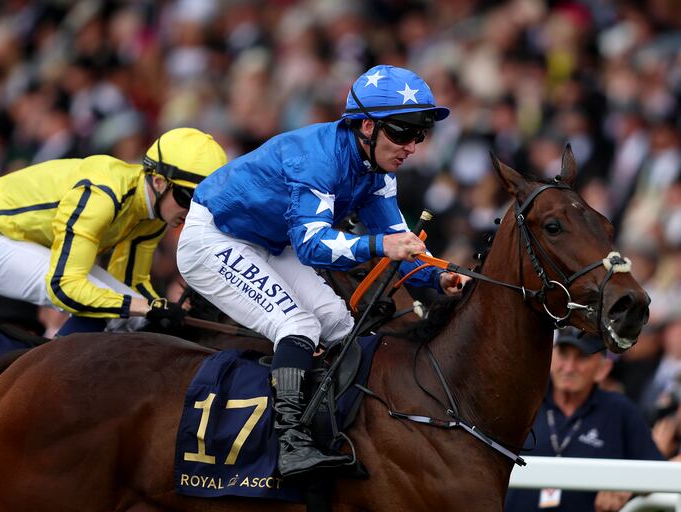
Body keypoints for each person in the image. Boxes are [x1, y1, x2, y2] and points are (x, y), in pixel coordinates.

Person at [177, 64, 469, 478]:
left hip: (270, 241)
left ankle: (333, 432)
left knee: (338, 324)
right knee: (297, 325)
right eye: (402, 132)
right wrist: (381, 246)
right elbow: (314, 246)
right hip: (215, 237)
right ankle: (291, 445)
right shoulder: (316, 159)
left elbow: (402, 241)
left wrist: (439, 277)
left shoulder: (377, 172)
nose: (412, 146)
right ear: (366, 126)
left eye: (420, 134)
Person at [0, 128, 227, 335]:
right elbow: (65, 288)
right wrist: (148, 308)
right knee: (108, 303)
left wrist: (163, 309)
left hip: (22, 241)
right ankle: (47, 382)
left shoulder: (154, 212)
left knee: (125, 308)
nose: (190, 213)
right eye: (187, 198)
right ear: (157, 182)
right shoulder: (103, 196)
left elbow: (129, 284)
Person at [505, 327, 663, 512]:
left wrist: (625, 487)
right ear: (550, 357)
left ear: (603, 369)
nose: (569, 367)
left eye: (581, 357)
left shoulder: (621, 412)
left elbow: (656, 472)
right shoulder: (521, 403)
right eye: (563, 355)